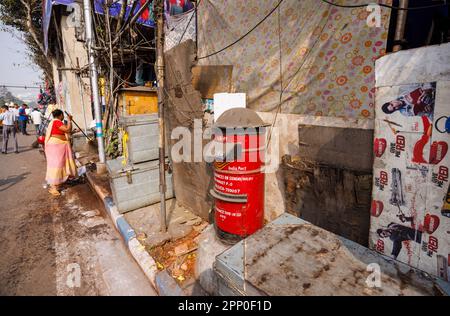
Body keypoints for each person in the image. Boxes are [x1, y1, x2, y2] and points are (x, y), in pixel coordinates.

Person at [44, 109, 77, 196]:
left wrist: (73, 131)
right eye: (63, 115)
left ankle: (60, 182)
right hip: (56, 146)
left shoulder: (56, 122)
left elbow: (66, 132)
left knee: (61, 164)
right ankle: (53, 187)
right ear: (60, 115)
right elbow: (67, 130)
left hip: (59, 145)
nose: (63, 117)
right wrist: (69, 120)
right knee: (57, 165)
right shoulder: (57, 122)